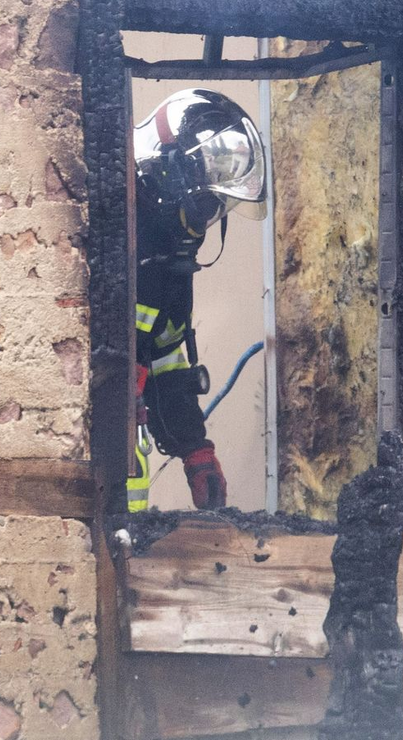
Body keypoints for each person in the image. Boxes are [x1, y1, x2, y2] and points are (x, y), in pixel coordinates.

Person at [128, 88, 267, 512]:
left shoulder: (167, 266)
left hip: (124, 523)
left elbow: (167, 363)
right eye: (209, 202)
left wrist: (195, 450)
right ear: (169, 178)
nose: (206, 220)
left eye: (218, 208)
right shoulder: (114, 239)